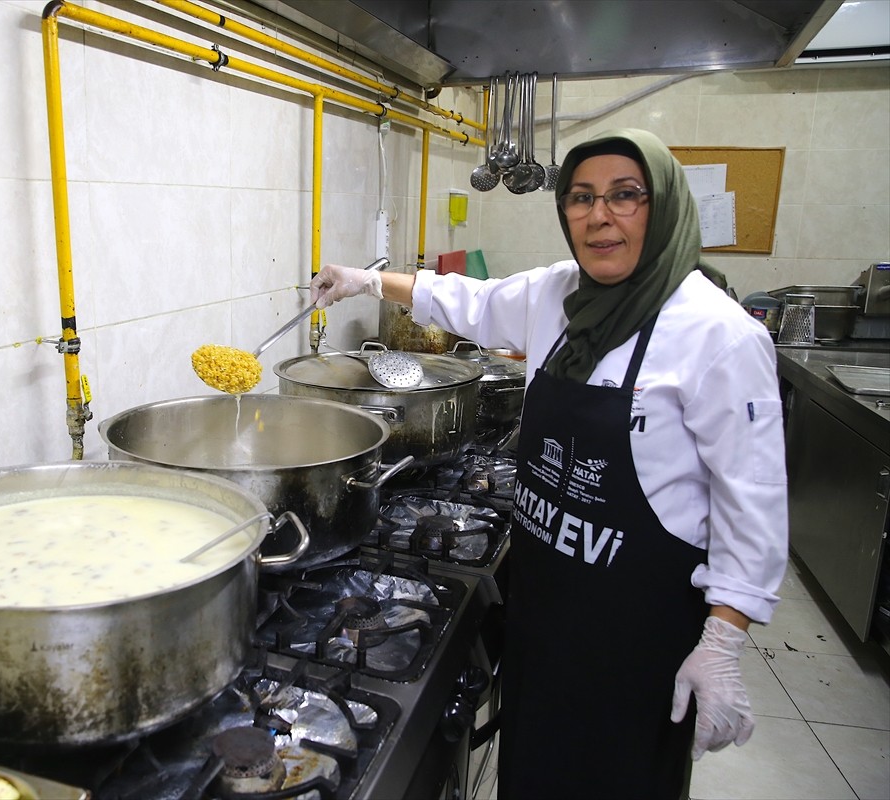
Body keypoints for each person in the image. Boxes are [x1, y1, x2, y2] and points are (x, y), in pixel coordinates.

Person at [310, 128, 788, 799]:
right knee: (532, 770)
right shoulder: (558, 294)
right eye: (582, 198)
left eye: (626, 196)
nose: (599, 217)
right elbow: (467, 301)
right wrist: (364, 280)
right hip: (545, 606)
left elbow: (753, 499)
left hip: (637, 631)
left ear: (667, 207)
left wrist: (725, 641)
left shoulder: (719, 334)